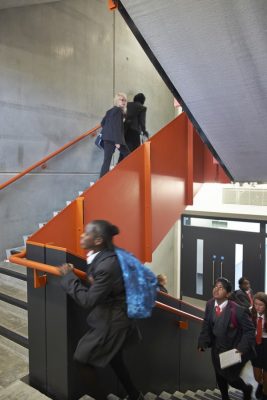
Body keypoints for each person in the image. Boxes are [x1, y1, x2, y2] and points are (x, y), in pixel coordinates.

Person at [58, 220, 144, 400]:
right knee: (115, 359)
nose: (82, 235)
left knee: (81, 359)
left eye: (86, 233)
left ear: (98, 240)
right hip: (117, 314)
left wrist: (69, 278)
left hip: (114, 320)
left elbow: (88, 300)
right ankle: (135, 395)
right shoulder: (106, 255)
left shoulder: (108, 264)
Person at [198, 277, 255, 400]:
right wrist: (202, 341)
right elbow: (206, 323)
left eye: (221, 288)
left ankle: (246, 389)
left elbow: (250, 330)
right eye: (216, 286)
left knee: (231, 378)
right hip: (216, 348)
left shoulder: (238, 310)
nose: (216, 289)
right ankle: (225, 397)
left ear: (228, 294)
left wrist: (241, 348)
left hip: (232, 349)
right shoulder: (210, 304)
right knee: (219, 375)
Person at [100, 93, 130, 178]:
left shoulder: (110, 111)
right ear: (117, 100)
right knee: (129, 155)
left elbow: (102, 123)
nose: (123, 102)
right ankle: (129, 171)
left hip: (107, 139)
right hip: (115, 139)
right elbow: (117, 126)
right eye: (121, 100)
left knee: (107, 161)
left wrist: (109, 131)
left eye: (125, 100)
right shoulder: (118, 111)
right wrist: (117, 141)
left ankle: (101, 180)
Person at [251, 292, 267, 400]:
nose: (257, 307)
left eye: (260, 305)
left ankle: (265, 393)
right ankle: (261, 384)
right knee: (257, 375)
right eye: (256, 304)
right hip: (256, 344)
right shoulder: (250, 312)